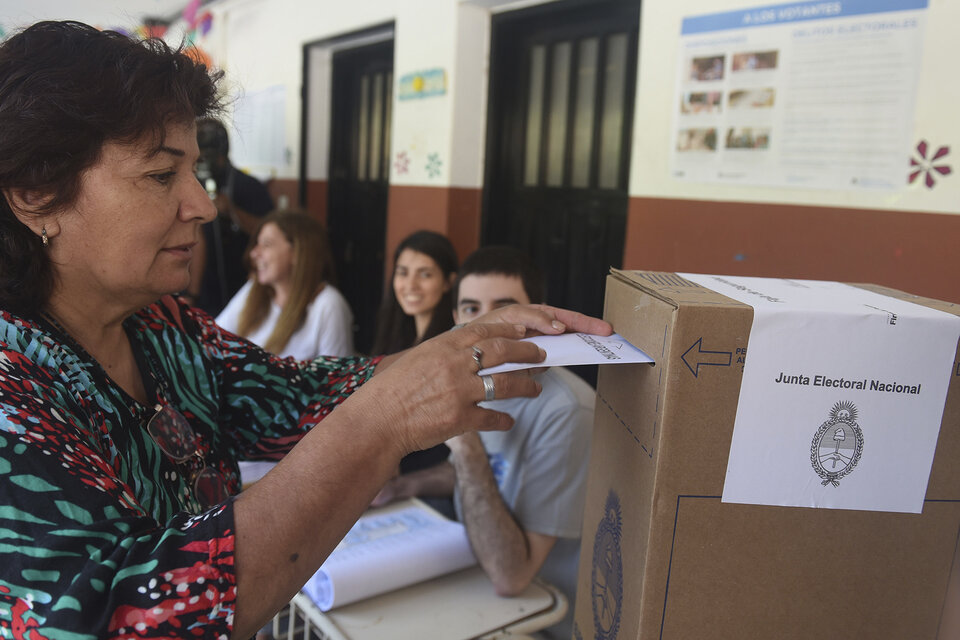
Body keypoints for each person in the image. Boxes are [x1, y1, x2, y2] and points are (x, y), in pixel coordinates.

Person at [0, 21, 612, 638]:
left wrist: (459, 349)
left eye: (193, 172)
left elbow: (289, 395)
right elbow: (129, 617)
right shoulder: (12, 389)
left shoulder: (158, 324)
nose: (204, 206)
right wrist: (384, 422)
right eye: (162, 176)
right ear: (36, 193)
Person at [375, 246, 596, 640]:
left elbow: (512, 577)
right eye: (472, 309)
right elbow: (496, 476)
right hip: (472, 579)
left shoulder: (566, 410)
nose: (487, 323)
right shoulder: (483, 381)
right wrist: (406, 486)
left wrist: (464, 440)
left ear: (540, 316)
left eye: (504, 307)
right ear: (456, 318)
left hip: (536, 617)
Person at [371, 230, 460, 506]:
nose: (410, 285)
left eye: (425, 274)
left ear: (448, 282)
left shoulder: (450, 346)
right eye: (402, 272)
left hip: (429, 484)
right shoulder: (396, 336)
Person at [216, 209, 354, 360]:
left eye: (266, 244)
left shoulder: (328, 305)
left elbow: (337, 378)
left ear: (297, 252)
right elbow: (214, 339)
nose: (254, 253)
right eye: (257, 244)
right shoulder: (253, 289)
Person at [188, 116, 275, 315]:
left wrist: (233, 211)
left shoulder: (249, 187)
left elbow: (270, 232)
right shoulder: (190, 185)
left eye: (206, 157)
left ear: (222, 154)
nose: (202, 164)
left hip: (244, 286)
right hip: (203, 292)